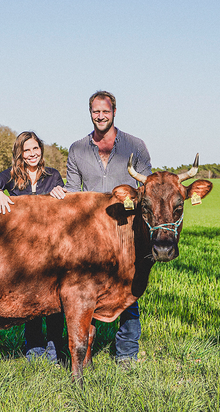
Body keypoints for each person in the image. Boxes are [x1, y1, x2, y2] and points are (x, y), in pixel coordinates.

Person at [50, 90, 152, 365]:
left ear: (114, 112)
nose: (100, 116)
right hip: (90, 232)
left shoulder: (136, 145)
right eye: (96, 111)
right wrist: (61, 194)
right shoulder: (77, 148)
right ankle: (76, 350)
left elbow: (148, 186)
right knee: (80, 289)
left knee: (129, 289)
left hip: (126, 229)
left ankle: (127, 353)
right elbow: (73, 190)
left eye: (105, 111)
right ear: (90, 113)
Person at [0, 131, 65, 362]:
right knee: (32, 299)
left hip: (51, 247)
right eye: (27, 150)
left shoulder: (53, 175)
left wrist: (61, 192)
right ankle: (34, 348)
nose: (32, 154)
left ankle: (55, 347)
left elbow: (64, 208)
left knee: (55, 300)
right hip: (23, 248)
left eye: (35, 149)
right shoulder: (11, 176)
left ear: (41, 150)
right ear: (20, 153)